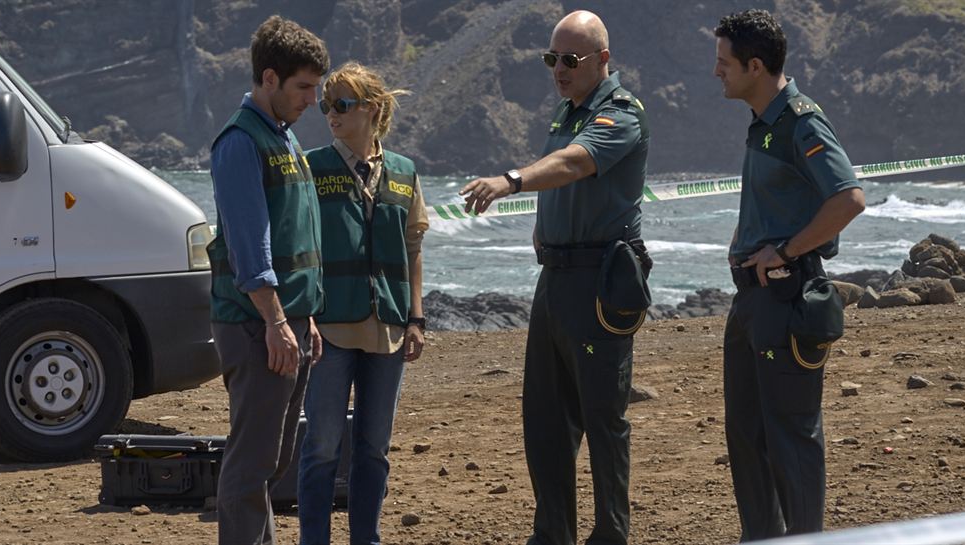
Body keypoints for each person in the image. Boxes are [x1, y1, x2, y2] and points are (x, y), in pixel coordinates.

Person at [459, 10, 649, 545]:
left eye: (570, 59)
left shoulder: (620, 113)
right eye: (552, 59)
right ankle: (553, 533)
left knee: (603, 417)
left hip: (600, 282)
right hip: (557, 279)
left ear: (603, 60)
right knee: (544, 418)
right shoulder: (567, 111)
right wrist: (546, 230)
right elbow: (564, 173)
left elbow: (574, 163)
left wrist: (511, 180)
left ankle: (612, 531)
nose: (559, 70)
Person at [713, 9, 866, 541]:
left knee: (791, 439)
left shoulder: (801, 120)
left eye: (725, 62)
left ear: (756, 66)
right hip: (751, 303)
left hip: (786, 297)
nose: (718, 73)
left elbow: (849, 198)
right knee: (747, 437)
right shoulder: (765, 123)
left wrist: (784, 251)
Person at [206, 15, 328, 545]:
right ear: (270, 78)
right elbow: (249, 246)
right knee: (252, 460)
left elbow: (295, 235)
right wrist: (277, 321)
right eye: (304, 88)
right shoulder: (240, 141)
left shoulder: (283, 137)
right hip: (258, 324)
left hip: (288, 320)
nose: (313, 101)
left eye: (317, 89)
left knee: (273, 458)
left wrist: (307, 319)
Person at [296, 62, 428, 545]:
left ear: (372, 109)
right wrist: (302, 315)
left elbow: (414, 252)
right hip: (329, 329)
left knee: (374, 449)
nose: (330, 113)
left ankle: (365, 539)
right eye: (328, 105)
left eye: (342, 105)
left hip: (389, 331)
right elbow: (299, 247)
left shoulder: (404, 173)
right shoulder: (311, 168)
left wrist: (416, 318)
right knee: (322, 446)